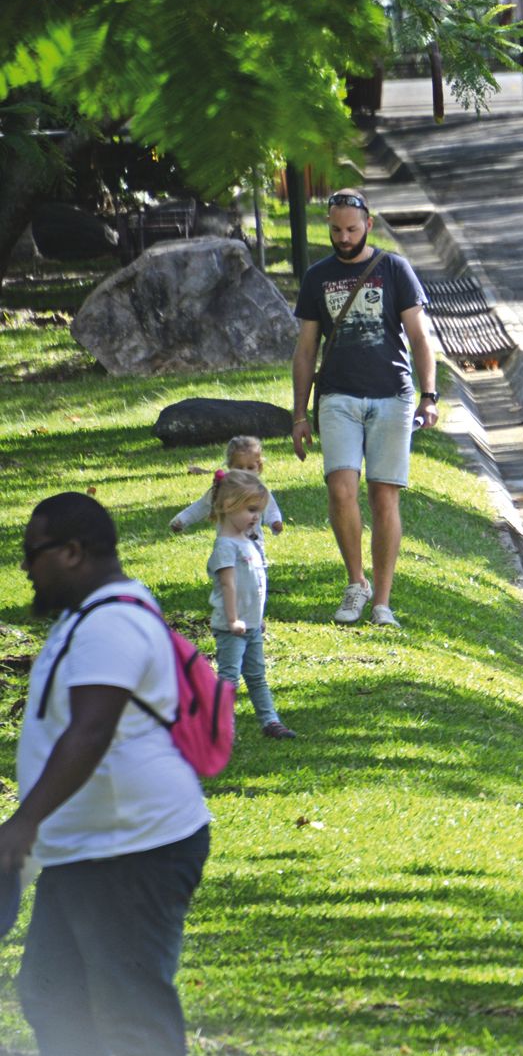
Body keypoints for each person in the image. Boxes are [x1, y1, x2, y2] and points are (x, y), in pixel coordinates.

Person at [4, 492, 211, 1056]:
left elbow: (90, 733)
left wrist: (24, 824)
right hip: (87, 849)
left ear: (71, 552)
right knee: (52, 995)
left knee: (131, 1013)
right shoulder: (91, 615)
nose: (25, 567)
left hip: (135, 849)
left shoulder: (113, 622)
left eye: (32, 552)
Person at [291, 189, 440, 629]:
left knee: (383, 495)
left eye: (352, 229)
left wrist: (429, 396)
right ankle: (356, 583)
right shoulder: (317, 276)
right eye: (335, 229)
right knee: (340, 488)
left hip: (392, 394)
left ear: (368, 225)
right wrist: (299, 414)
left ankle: (382, 601)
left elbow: (419, 339)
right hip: (337, 395)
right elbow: (305, 350)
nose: (343, 237)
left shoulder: (394, 268)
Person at [205, 470, 297, 740]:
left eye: (259, 510)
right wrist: (233, 619)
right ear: (226, 506)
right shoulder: (225, 546)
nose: (256, 516)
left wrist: (257, 617)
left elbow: (255, 585)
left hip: (252, 625)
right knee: (230, 677)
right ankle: (221, 727)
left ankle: (270, 720)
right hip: (232, 627)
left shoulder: (249, 543)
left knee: (257, 675)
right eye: (251, 509)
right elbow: (228, 585)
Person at [170, 435, 284, 546]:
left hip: (254, 545)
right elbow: (201, 506)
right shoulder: (223, 489)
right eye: (239, 467)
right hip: (227, 544)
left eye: (250, 467)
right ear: (229, 466)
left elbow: (271, 509)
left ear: (259, 467)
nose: (244, 472)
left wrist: (275, 522)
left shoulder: (259, 490)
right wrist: (181, 520)